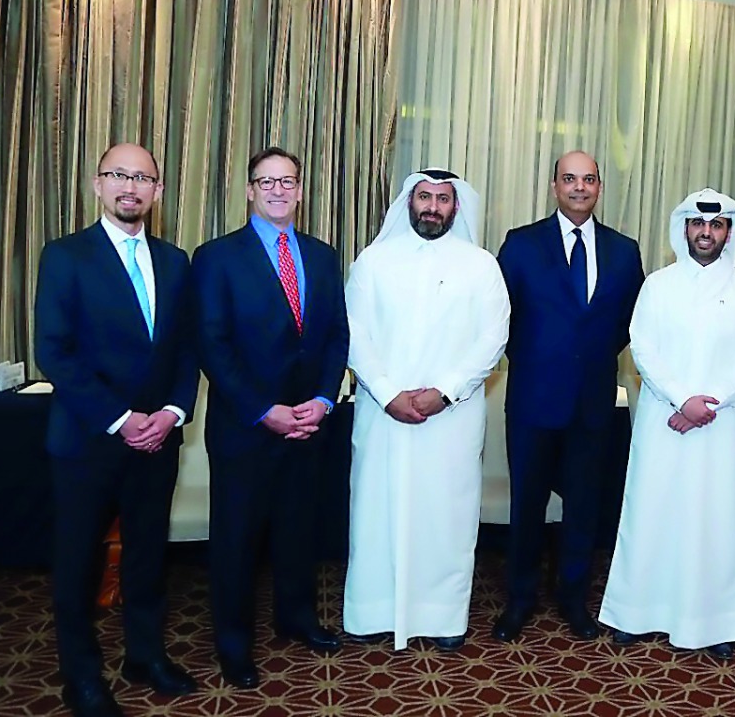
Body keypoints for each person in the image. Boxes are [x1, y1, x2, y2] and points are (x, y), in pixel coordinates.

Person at [34, 143, 199, 717]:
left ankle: (145, 656)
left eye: (143, 178)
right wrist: (121, 419)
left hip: (158, 440)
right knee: (78, 562)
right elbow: (54, 352)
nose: (131, 187)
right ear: (98, 184)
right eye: (119, 175)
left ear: (158, 190)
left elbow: (186, 349)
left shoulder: (176, 261)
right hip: (87, 441)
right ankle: (80, 675)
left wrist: (173, 412)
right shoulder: (65, 256)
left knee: (148, 556)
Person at [192, 146, 349, 689]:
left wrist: (324, 399)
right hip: (245, 427)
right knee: (236, 540)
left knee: (298, 530)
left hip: (308, 424)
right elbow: (212, 345)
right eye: (267, 181)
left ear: (301, 191)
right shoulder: (215, 257)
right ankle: (234, 644)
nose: (278, 190)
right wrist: (264, 410)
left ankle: (296, 617)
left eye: (288, 181)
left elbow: (336, 336)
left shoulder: (323, 256)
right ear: (250, 190)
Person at [342, 169, 510, 651]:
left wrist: (445, 392)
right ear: (408, 202)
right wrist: (388, 393)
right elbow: (353, 333)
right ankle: (372, 613)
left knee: (446, 517)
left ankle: (441, 617)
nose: (432, 207)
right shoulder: (373, 261)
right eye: (424, 197)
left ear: (456, 207)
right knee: (377, 513)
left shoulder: (481, 266)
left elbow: (493, 337)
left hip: (452, 418)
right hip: (383, 414)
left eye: (442, 199)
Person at [598, 189, 735, 660]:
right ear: (685, 229)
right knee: (652, 514)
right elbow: (643, 347)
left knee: (714, 521)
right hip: (663, 421)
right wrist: (681, 400)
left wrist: (706, 405)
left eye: (716, 225)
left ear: (728, 232)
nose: (706, 232)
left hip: (719, 425)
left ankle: (713, 623)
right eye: (698, 223)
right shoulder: (658, 285)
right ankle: (636, 613)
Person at [493, 150, 645, 642]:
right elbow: (500, 319)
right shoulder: (520, 244)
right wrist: (541, 358)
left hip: (592, 402)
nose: (580, 187)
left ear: (599, 187)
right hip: (533, 398)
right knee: (527, 505)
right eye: (570, 178)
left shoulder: (624, 251)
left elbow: (629, 322)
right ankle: (520, 598)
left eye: (589, 179)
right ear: (555, 185)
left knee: (584, 505)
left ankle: (573, 598)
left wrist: (588, 358)